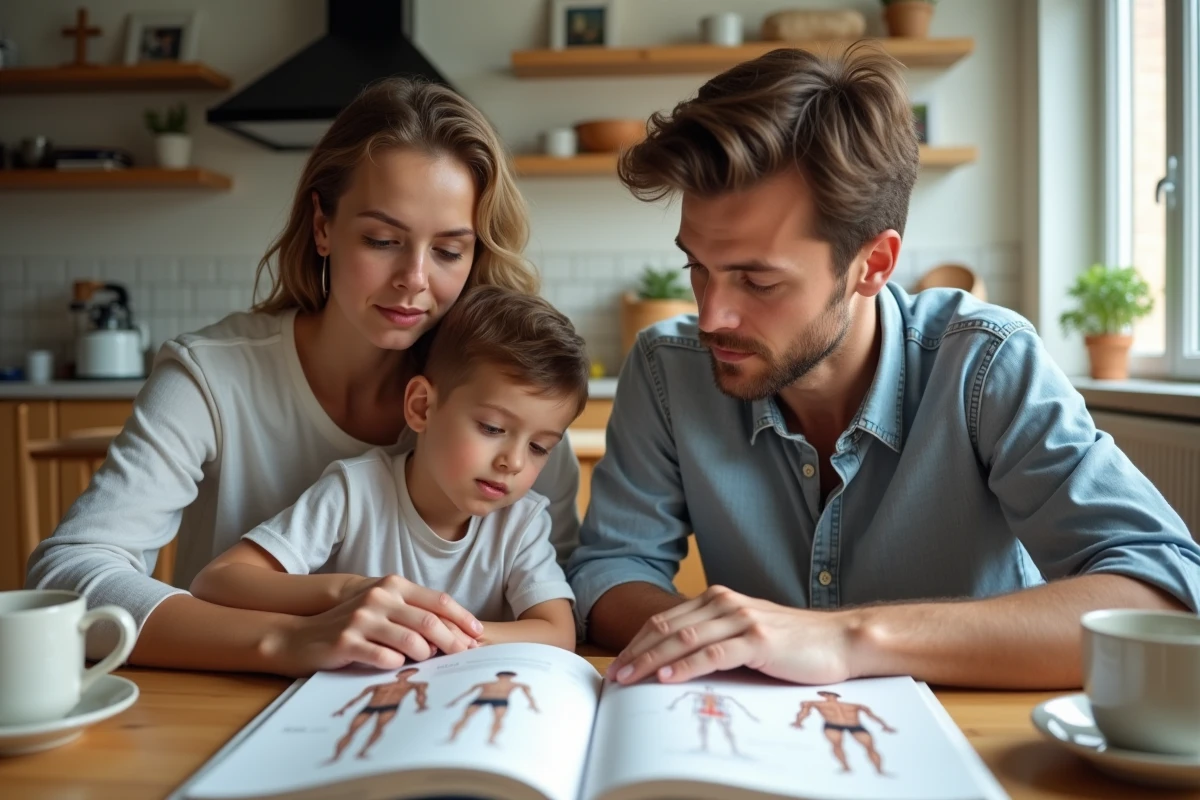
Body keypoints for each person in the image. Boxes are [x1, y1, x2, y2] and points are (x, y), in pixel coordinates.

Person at [566, 46, 1200, 689]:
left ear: (872, 264)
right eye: (697, 268)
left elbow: (1166, 595)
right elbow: (609, 573)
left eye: (757, 281)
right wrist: (726, 643)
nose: (710, 317)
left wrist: (846, 640)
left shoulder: (984, 365)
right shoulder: (666, 370)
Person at [26, 77, 582, 676]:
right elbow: (72, 573)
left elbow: (563, 597)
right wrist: (289, 637)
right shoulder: (212, 375)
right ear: (323, 226)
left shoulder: (510, 402)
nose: (415, 278)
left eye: (448, 251)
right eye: (382, 240)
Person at [191, 286, 585, 652]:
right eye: (492, 428)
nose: (513, 462)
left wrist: (440, 634)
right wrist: (351, 591)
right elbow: (220, 579)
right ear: (421, 407)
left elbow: (557, 631)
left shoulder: (521, 522)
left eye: (539, 447)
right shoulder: (354, 492)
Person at [328, 667, 429, 763]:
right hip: (370, 706)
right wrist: (343, 709)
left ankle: (363, 751)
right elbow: (358, 698)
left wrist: (421, 705)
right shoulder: (378, 686)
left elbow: (421, 695)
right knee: (352, 730)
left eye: (411, 673)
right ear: (398, 674)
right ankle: (336, 756)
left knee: (379, 728)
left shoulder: (416, 684)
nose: (408, 674)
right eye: (405, 672)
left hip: (390, 706)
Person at [792, 691, 895, 775]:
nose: (826, 696)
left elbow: (871, 715)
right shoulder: (815, 703)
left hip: (853, 725)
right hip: (833, 724)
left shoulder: (853, 705)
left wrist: (884, 725)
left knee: (869, 746)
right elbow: (804, 713)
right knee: (837, 745)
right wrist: (798, 722)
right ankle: (846, 767)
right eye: (824, 694)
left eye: (826, 694)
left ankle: (879, 770)